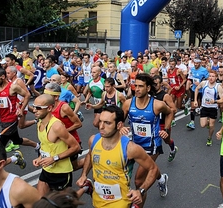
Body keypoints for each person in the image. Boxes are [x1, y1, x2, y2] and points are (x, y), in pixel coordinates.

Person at [76, 105, 160, 208]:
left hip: (120, 202)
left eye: (107, 123)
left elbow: (153, 169)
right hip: (98, 200)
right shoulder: (93, 140)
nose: (101, 126)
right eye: (100, 121)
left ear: (119, 125)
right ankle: (90, 187)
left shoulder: (130, 148)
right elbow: (90, 155)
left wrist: (141, 190)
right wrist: (84, 174)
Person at [121, 73, 172, 204]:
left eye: (140, 86)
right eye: (135, 86)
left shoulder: (157, 105)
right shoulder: (128, 104)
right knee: (149, 168)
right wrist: (120, 127)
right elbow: (119, 121)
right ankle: (161, 179)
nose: (136, 89)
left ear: (148, 88)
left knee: (138, 180)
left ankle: (139, 202)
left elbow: (170, 111)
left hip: (152, 145)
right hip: (134, 145)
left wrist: (165, 130)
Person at [32, 94, 80, 196]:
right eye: (34, 106)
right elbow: (46, 145)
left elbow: (76, 147)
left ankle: (85, 188)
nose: (34, 110)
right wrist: (40, 157)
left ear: (49, 108)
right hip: (47, 169)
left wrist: (54, 158)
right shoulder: (39, 123)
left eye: (38, 108)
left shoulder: (57, 126)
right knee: (41, 202)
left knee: (63, 204)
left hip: (61, 172)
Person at [0, 68, 39, 152]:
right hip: (2, 118)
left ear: (2, 76)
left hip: (11, 119)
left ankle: (2, 160)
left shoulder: (13, 87)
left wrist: (21, 109)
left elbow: (27, 95)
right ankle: (37, 146)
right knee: (17, 140)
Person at [40, 83, 84, 171]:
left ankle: (90, 160)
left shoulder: (64, 108)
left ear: (56, 97)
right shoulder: (46, 107)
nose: (45, 97)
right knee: (53, 167)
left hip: (69, 141)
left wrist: (62, 132)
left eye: (48, 95)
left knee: (73, 167)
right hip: (55, 143)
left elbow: (78, 124)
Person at [194, 70, 223, 146]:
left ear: (216, 77)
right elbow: (197, 89)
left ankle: (209, 138)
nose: (211, 78)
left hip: (213, 108)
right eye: (210, 76)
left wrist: (214, 101)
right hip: (204, 106)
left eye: (213, 76)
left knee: (211, 125)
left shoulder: (218, 87)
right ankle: (207, 122)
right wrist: (195, 100)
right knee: (202, 125)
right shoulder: (204, 83)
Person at [153, 75, 178, 162]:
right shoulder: (150, 94)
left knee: (166, 141)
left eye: (156, 84)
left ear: (160, 84)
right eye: (153, 84)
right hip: (153, 122)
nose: (154, 86)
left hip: (163, 122)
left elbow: (174, 109)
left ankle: (173, 149)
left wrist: (163, 110)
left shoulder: (165, 96)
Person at [186, 58, 209, 129]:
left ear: (200, 63)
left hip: (202, 91)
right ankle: (192, 122)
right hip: (194, 90)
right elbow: (190, 77)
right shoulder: (192, 69)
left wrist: (201, 83)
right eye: (195, 63)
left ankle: (208, 120)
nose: (195, 64)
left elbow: (208, 79)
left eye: (197, 63)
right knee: (193, 106)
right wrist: (191, 83)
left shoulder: (204, 70)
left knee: (203, 105)